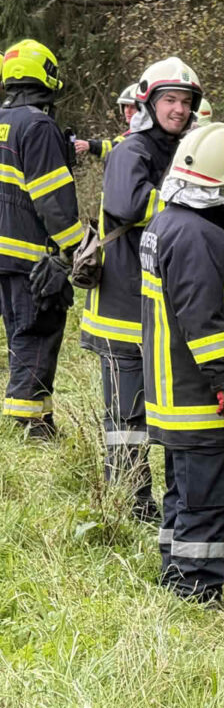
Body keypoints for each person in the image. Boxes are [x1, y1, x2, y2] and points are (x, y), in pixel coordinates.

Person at [140, 121, 224, 605]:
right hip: (198, 399)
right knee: (206, 498)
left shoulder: (166, 223)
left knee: (182, 493)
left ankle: (175, 573)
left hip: (170, 395)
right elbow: (202, 321)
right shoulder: (198, 238)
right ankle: (196, 587)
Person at [80, 57, 202, 522]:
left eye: (186, 102)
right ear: (150, 103)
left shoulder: (177, 148)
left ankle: (147, 498)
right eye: (170, 100)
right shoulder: (133, 151)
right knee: (126, 418)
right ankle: (128, 502)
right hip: (120, 309)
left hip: (153, 306)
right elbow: (130, 204)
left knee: (154, 411)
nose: (179, 109)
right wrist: (195, 204)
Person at [0, 38, 84, 439]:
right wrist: (77, 248)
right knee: (36, 333)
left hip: (3, 254)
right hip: (30, 256)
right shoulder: (39, 126)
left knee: (19, 333)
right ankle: (29, 427)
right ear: (46, 76)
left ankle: (40, 420)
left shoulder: (4, 121)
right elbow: (53, 200)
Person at [74, 83, 138, 161]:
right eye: (126, 106)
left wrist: (90, 145)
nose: (128, 111)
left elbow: (116, 148)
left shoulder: (140, 134)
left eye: (133, 107)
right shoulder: (132, 132)